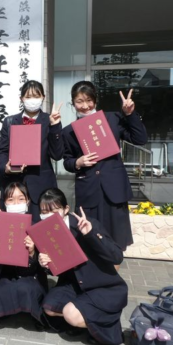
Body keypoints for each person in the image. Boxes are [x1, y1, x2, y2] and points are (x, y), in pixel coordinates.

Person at [62, 81, 147, 251]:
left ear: (95, 99)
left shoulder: (112, 119)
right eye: (79, 101)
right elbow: (67, 160)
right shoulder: (68, 131)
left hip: (114, 188)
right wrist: (78, 162)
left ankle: (112, 275)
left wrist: (130, 115)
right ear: (73, 103)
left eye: (88, 100)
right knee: (90, 240)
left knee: (116, 241)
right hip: (89, 189)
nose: (85, 106)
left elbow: (140, 139)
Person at [39, 189, 128, 345]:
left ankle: (108, 324)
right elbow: (57, 269)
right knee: (49, 307)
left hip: (102, 286)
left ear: (66, 209)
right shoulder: (48, 232)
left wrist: (91, 234)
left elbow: (116, 257)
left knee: (70, 314)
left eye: (53, 210)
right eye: (44, 211)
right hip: (74, 285)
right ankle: (85, 318)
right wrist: (45, 264)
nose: (48, 215)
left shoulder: (86, 224)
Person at [0, 80, 64, 222]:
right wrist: (5, 168)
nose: (32, 100)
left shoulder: (49, 120)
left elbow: (57, 154)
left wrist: (55, 126)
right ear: (21, 99)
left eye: (36, 96)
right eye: (28, 96)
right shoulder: (10, 121)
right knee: (14, 230)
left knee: (42, 230)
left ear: (43, 97)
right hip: (15, 187)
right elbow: (1, 152)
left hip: (42, 185)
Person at [0, 182, 48, 328]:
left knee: (26, 287)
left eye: (21, 199)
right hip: (6, 274)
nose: (16, 203)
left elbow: (38, 267)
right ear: (5, 203)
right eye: (10, 199)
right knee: (3, 288)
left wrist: (32, 251)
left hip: (29, 275)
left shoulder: (36, 226)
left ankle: (33, 312)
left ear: (27, 201)